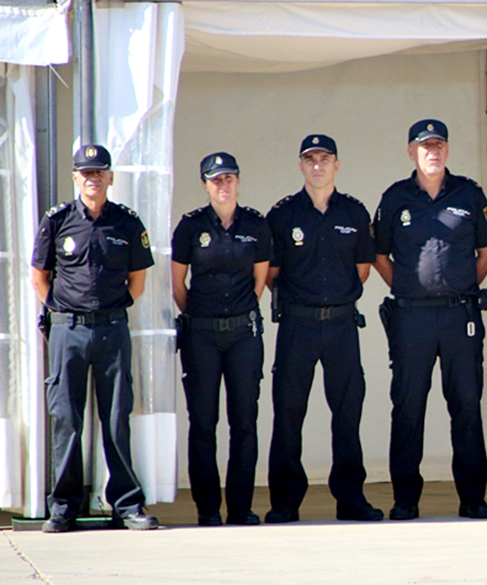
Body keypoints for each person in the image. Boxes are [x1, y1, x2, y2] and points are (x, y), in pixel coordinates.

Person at [374, 119, 487, 520]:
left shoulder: (469, 193)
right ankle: (405, 500)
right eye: (425, 146)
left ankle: (473, 498)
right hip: (410, 319)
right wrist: (411, 288)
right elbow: (379, 256)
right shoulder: (395, 198)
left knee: (465, 404)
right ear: (411, 151)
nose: (433, 151)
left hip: (458, 317)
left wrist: (459, 288)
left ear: (447, 150)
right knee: (408, 406)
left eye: (439, 145)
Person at [31, 144, 159, 532]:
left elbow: (138, 281)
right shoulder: (57, 220)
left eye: (99, 172)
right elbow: (40, 276)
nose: (93, 178)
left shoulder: (127, 223)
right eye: (86, 173)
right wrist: (63, 311)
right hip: (68, 329)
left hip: (112, 328)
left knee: (117, 417)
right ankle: (64, 507)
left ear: (110, 177)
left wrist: (111, 310)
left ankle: (126, 505)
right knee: (66, 418)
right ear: (75, 178)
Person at [264, 134, 381, 523]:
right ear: (301, 166)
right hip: (297, 324)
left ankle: (351, 499)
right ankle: (284, 503)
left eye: (325, 158)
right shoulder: (282, 215)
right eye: (310, 159)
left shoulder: (354, 213)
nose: (317, 165)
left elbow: (362, 271)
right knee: (288, 413)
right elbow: (271, 274)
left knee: (348, 414)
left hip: (342, 326)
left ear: (336, 165)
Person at [172, 152, 271, 526]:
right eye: (216, 180)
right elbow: (178, 284)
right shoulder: (190, 227)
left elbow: (259, 282)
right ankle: (208, 508)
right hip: (202, 336)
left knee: (244, 420)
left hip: (244, 335)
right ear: (205, 185)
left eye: (229, 178)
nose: (223, 185)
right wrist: (203, 316)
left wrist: (237, 315)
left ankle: (241, 507)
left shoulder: (256, 225)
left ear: (238, 181)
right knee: (203, 422)